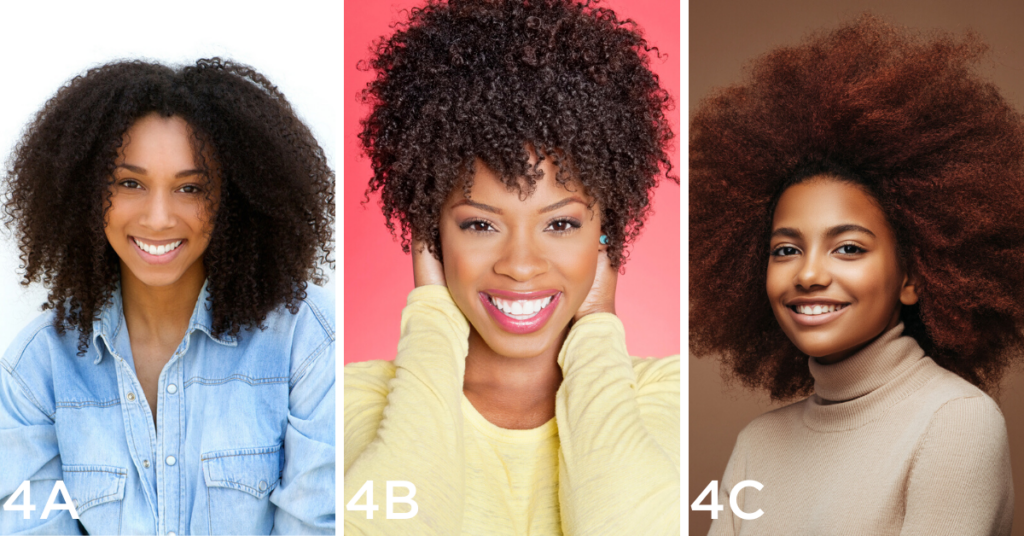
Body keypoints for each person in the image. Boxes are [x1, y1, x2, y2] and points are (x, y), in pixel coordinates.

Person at [343, 0, 680, 534]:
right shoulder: (350, 401)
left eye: (561, 224)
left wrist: (596, 327)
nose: (521, 266)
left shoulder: (670, 396)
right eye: (480, 225)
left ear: (604, 233)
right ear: (432, 234)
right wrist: (430, 318)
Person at [690, 15, 1024, 535]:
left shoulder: (955, 422)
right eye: (785, 249)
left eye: (847, 247)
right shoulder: (757, 444)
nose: (809, 273)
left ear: (913, 274)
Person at [0, 58, 336, 535]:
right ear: (86, 192)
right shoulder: (39, 369)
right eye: (130, 183)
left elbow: (317, 525)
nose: (158, 218)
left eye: (191, 187)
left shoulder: (306, 340)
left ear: (236, 198)